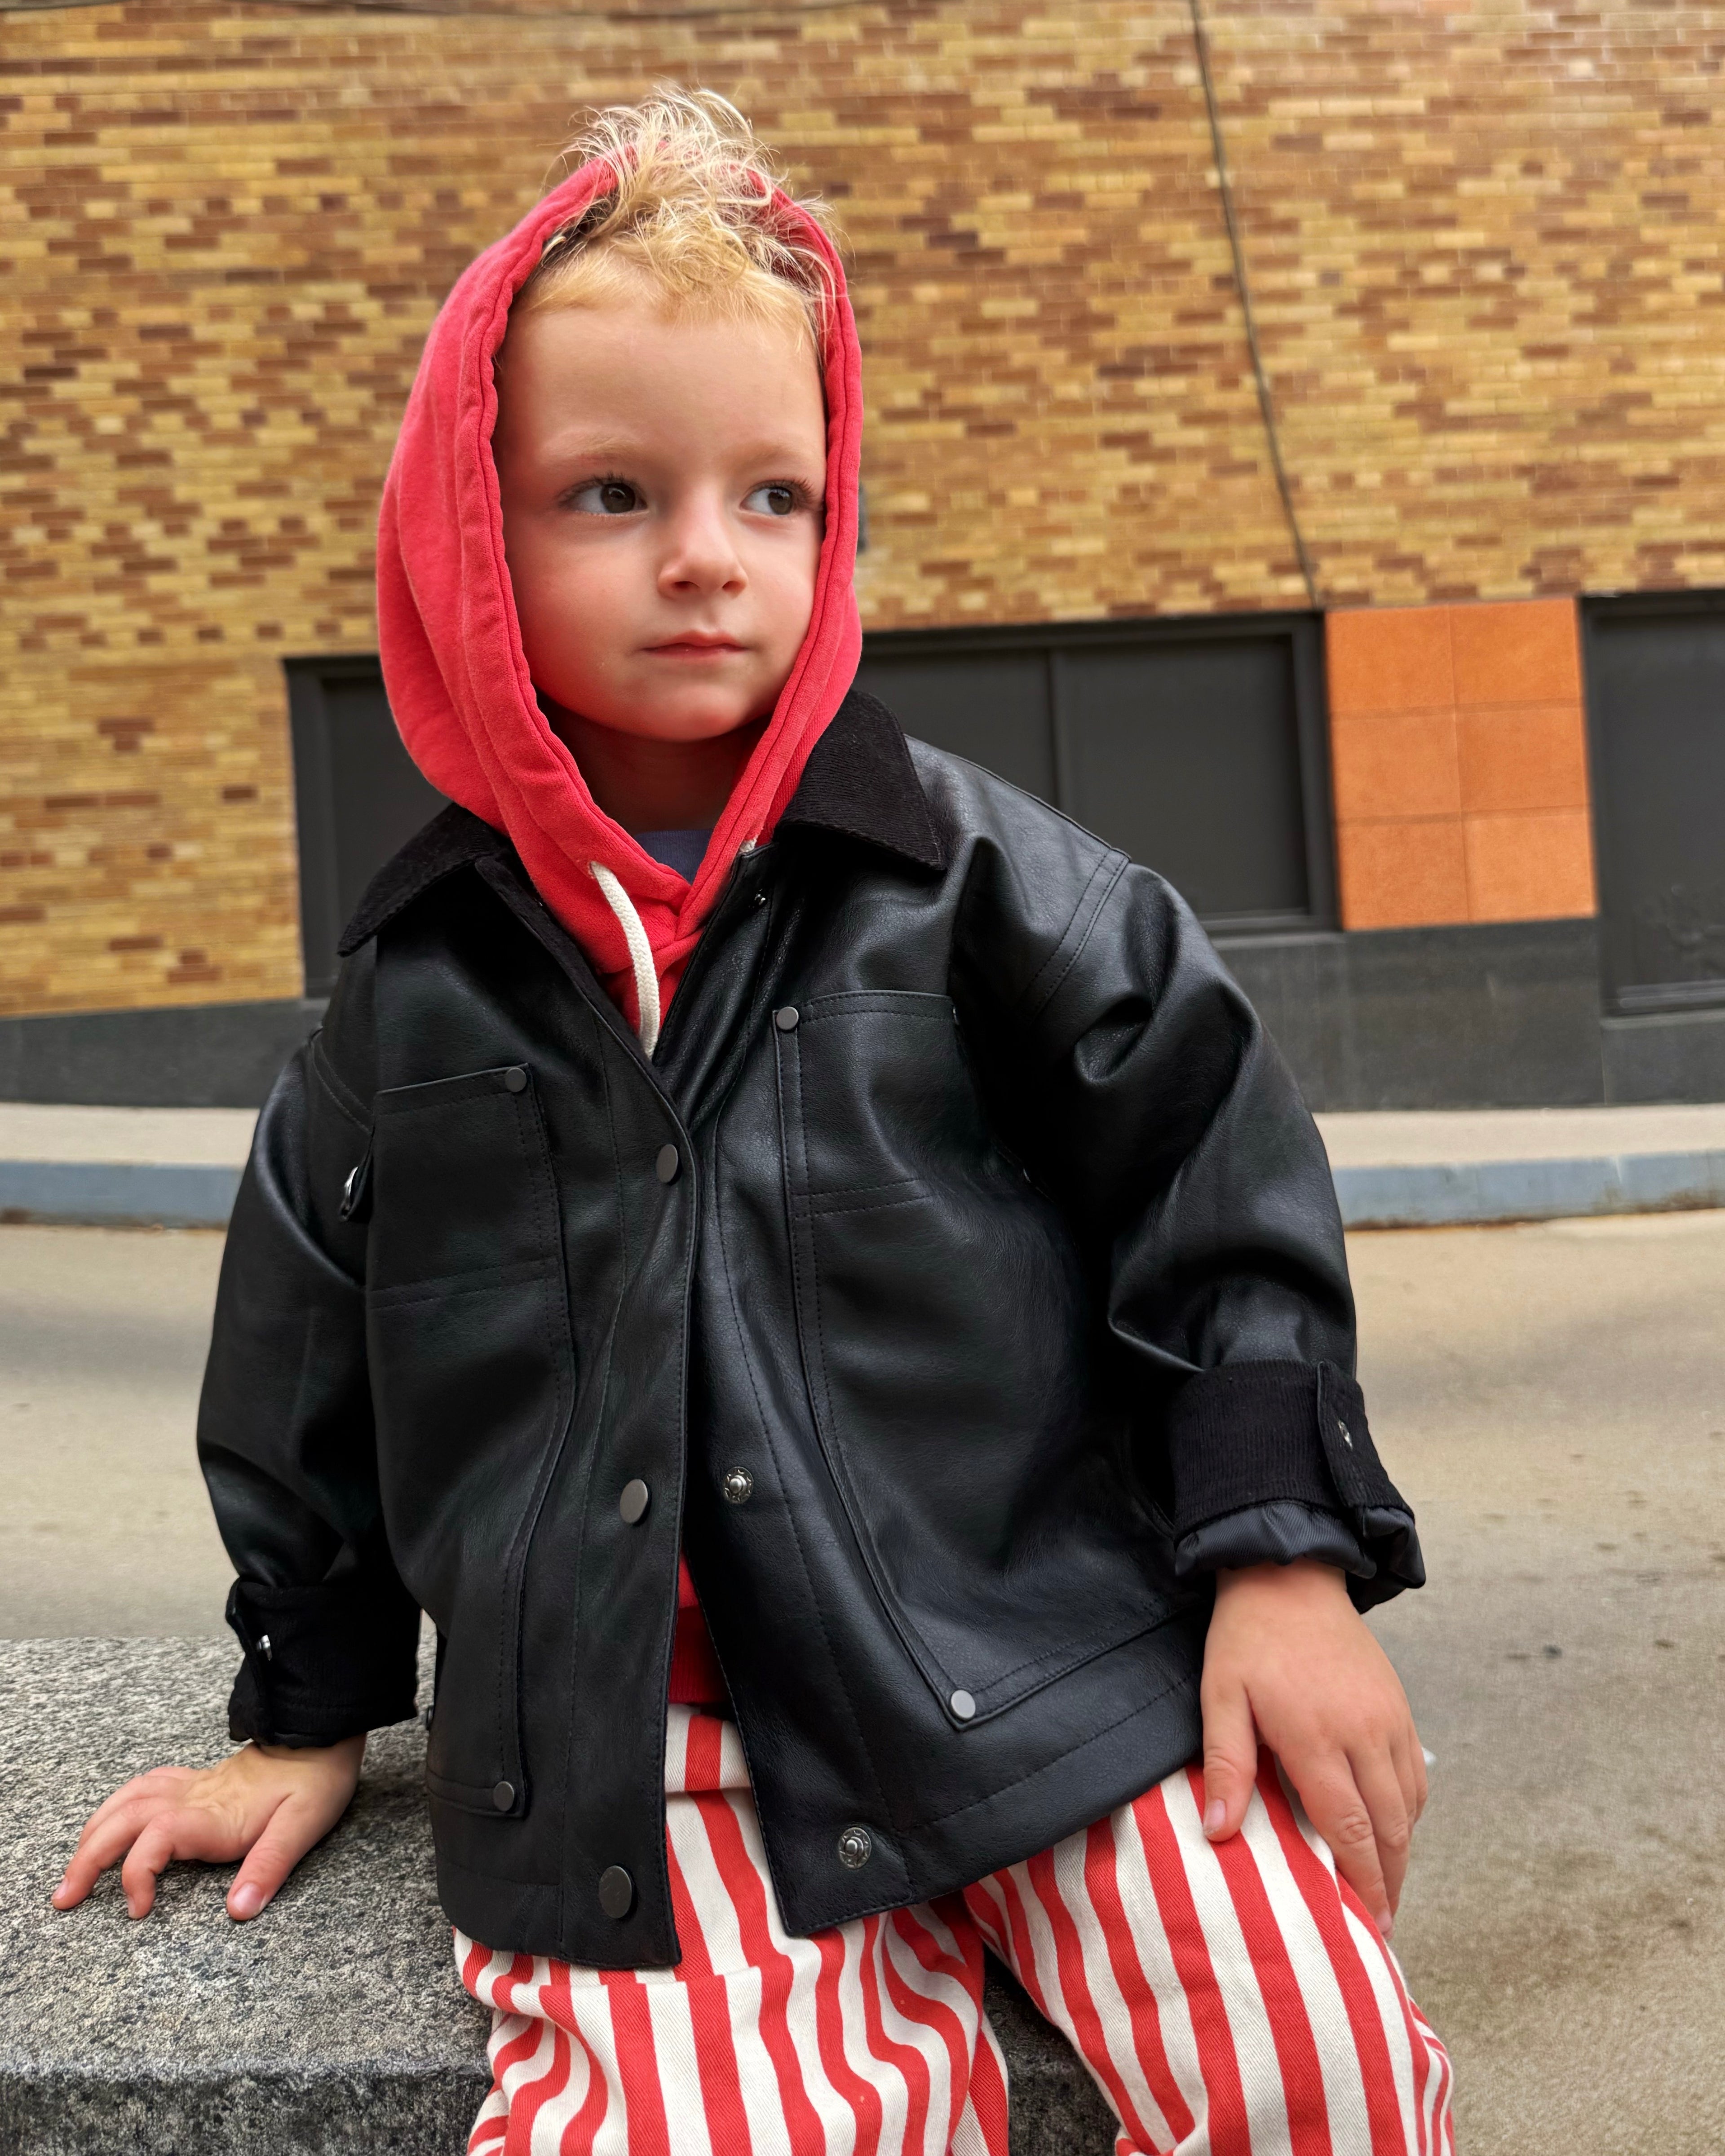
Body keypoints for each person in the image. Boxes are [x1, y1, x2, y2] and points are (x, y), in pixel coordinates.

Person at [54, 91, 1453, 2155]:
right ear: (471, 530)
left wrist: (1278, 1565)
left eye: (775, 498)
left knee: (1306, 2061)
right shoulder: (415, 992)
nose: (710, 556)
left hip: (1047, 1645)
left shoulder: (983, 887)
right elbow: (304, 1372)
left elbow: (1213, 1189)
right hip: (645, 1736)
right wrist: (303, 1706)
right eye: (613, 492)